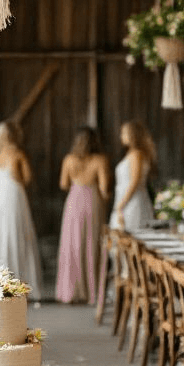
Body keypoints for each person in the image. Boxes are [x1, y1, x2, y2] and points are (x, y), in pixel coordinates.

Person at [0, 120, 42, 299]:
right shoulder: (17, 154)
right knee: (16, 233)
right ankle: (17, 280)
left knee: (0, 235)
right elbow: (27, 178)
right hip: (13, 195)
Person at [56, 127, 110, 304]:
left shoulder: (69, 159)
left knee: (72, 244)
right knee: (91, 243)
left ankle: (71, 292)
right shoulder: (100, 160)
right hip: (92, 201)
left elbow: (63, 184)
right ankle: (91, 292)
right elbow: (104, 188)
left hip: (74, 201)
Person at [110, 119, 157, 231]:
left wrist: (121, 204)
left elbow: (135, 181)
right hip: (126, 198)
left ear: (132, 135)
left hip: (132, 200)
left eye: (124, 133)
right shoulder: (132, 153)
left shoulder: (136, 154)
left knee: (130, 233)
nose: (121, 136)